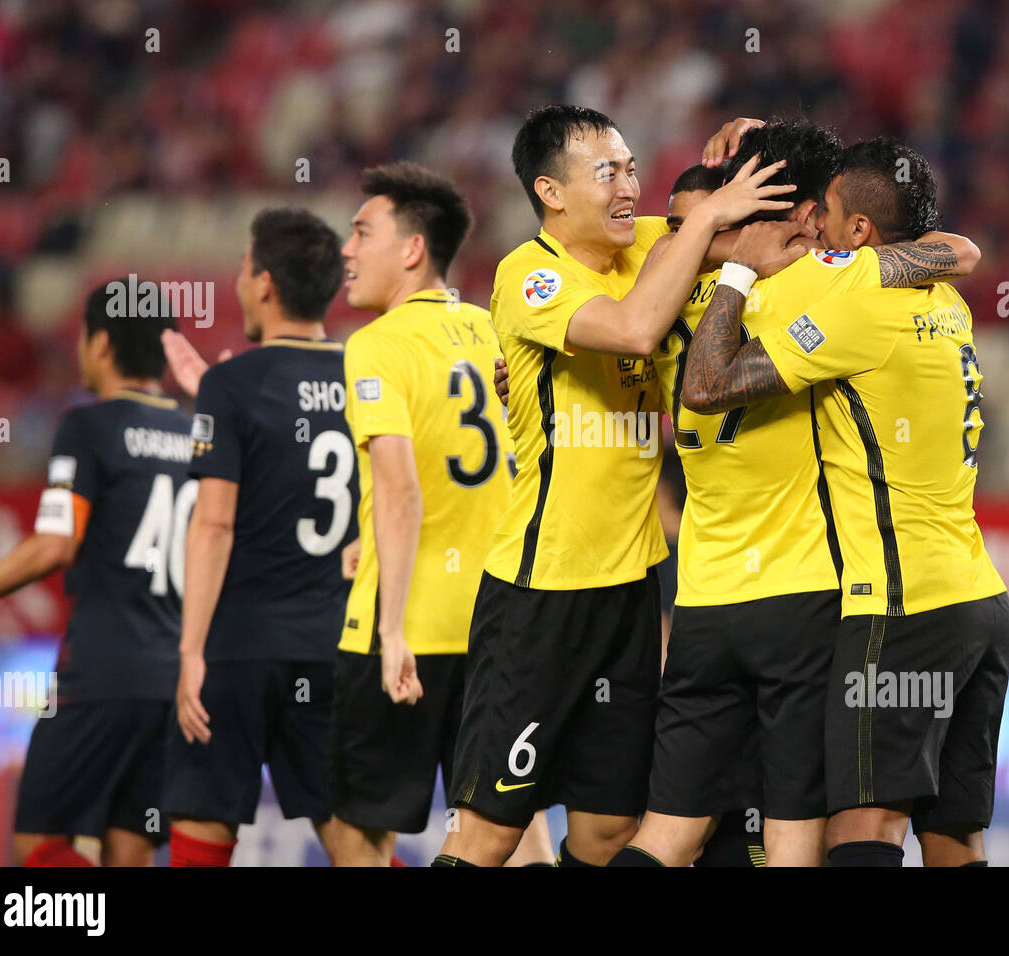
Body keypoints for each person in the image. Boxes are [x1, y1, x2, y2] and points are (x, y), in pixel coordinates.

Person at [436, 104, 793, 867]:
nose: (633, 187)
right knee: (490, 833)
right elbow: (633, 329)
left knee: (606, 831)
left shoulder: (652, 245)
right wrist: (705, 225)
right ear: (551, 192)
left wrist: (759, 138)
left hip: (630, 592)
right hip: (540, 594)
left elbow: (772, 229)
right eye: (609, 172)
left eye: (633, 167)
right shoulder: (528, 273)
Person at [682, 138, 1009, 867]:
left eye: (825, 215)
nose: (814, 226)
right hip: (979, 604)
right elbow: (958, 249)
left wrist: (738, 268)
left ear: (859, 233)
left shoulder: (853, 307)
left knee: (861, 830)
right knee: (953, 833)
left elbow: (705, 384)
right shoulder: (944, 301)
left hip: (900, 609)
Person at [330, 162, 551, 866]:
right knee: (509, 831)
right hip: (496, 627)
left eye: (363, 231)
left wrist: (392, 628)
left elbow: (400, 491)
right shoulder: (493, 331)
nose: (347, 248)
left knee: (358, 833)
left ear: (411, 250)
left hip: (408, 633)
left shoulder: (377, 345)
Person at [0, 280, 189, 866]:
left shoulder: (89, 426)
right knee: (129, 849)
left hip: (102, 672)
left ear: (101, 343)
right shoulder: (197, 437)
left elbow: (57, 545)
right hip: (176, 677)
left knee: (40, 839)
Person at [162, 207, 356, 867]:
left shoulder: (232, 384)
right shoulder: (366, 377)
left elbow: (213, 523)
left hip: (241, 649)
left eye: (245, 268)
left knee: (202, 827)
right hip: (335, 645)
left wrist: (189, 649)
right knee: (354, 843)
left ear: (265, 282)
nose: (239, 281)